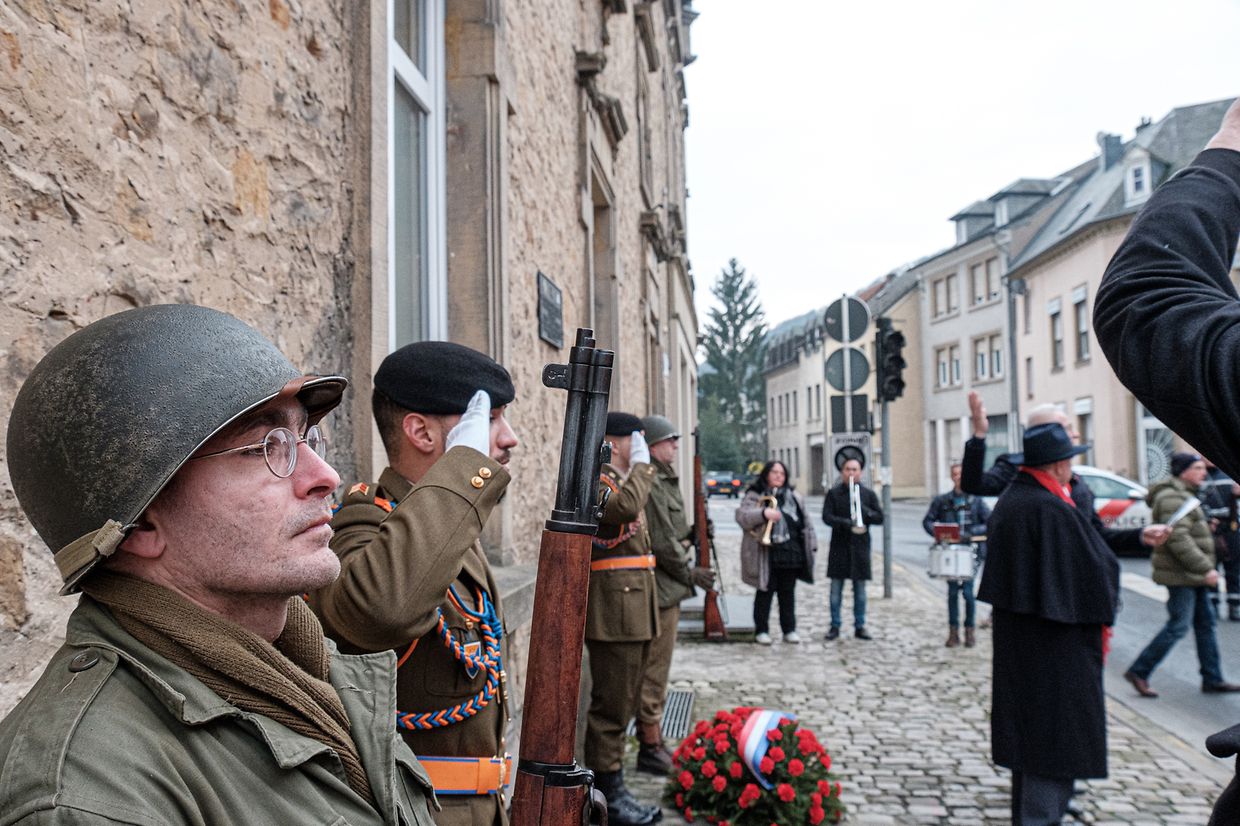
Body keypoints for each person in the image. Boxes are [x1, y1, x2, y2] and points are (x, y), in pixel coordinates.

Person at [0, 305, 436, 824]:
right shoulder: (88, 794)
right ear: (140, 525)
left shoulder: (309, 674)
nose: (326, 476)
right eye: (263, 449)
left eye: (306, 438)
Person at [1093, 97, 1240, 826]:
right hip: (1188, 574)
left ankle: (1197, 675)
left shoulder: (1187, 487)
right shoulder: (1166, 492)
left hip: (1195, 573)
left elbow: (1147, 296)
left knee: (1196, 627)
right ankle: (1162, 674)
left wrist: (1228, 154)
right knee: (1186, 624)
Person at [307, 341, 518, 826]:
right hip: (415, 810)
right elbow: (381, 608)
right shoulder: (364, 525)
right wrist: (465, 465)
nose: (507, 439)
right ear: (420, 431)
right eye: (490, 419)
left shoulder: (453, 528)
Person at [977, 423, 1119, 826]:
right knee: (1051, 749)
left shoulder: (1019, 498)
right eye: (1070, 460)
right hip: (1055, 652)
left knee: (1035, 749)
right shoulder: (1047, 507)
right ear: (1057, 465)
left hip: (1032, 649)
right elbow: (1091, 567)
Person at [962, 391, 1170, 554]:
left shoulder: (1077, 482)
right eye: (1068, 428)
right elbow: (973, 484)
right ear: (1044, 433)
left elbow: (1095, 534)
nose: (1076, 433)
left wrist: (1140, 536)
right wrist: (979, 436)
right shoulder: (1017, 470)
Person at [584, 412, 662, 826]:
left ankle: (614, 785)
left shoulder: (621, 478)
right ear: (615, 444)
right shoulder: (600, 482)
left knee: (625, 702)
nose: (641, 448)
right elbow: (625, 508)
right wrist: (643, 467)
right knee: (611, 708)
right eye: (635, 440)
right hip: (615, 613)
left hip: (633, 609)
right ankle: (608, 795)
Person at [633, 414, 716, 775]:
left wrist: (697, 530)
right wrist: (691, 573)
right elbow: (664, 542)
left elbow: (675, 532)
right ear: (653, 446)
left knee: (659, 669)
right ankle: (650, 744)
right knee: (654, 670)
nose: (675, 446)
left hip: (667, 586)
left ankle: (654, 740)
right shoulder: (651, 480)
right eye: (670, 441)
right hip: (660, 586)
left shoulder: (665, 479)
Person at [1121, 453, 1240, 698]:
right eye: (1197, 468)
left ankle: (1212, 677)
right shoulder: (1173, 497)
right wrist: (1205, 568)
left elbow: (1186, 530)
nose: (1204, 472)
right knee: (1178, 626)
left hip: (1189, 575)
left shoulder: (1185, 494)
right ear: (1183, 471)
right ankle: (1139, 671)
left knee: (1205, 624)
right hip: (1181, 574)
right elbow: (1178, 539)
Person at [736, 460, 818, 645]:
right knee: (765, 591)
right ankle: (762, 629)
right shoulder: (755, 495)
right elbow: (743, 517)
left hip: (790, 551)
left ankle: (789, 629)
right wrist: (763, 513)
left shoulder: (794, 497)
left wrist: (810, 545)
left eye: (782, 473)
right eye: (774, 472)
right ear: (766, 474)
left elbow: (804, 523)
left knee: (787, 593)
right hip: (766, 552)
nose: (778, 476)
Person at [922, 462, 991, 647]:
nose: (958, 477)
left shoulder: (976, 501)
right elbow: (928, 521)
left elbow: (989, 522)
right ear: (952, 477)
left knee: (968, 594)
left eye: (961, 474)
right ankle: (953, 631)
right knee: (952, 593)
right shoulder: (943, 501)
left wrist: (970, 533)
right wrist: (939, 532)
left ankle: (969, 630)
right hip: (949, 552)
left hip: (970, 551)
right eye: (955, 474)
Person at [821, 457, 883, 641]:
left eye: (855, 469)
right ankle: (835, 625)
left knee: (860, 591)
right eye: (848, 469)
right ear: (842, 472)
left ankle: (860, 625)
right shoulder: (834, 493)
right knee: (835, 591)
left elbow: (880, 518)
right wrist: (845, 523)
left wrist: (864, 511)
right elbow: (827, 517)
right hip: (839, 546)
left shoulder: (868, 494)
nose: (851, 473)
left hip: (860, 547)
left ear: (860, 472)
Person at [1202, 462, 1240, 621]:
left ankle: (1235, 605)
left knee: (1233, 568)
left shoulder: (1230, 473)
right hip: (1209, 529)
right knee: (1211, 567)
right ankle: (1212, 604)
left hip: (1230, 528)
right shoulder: (1200, 474)